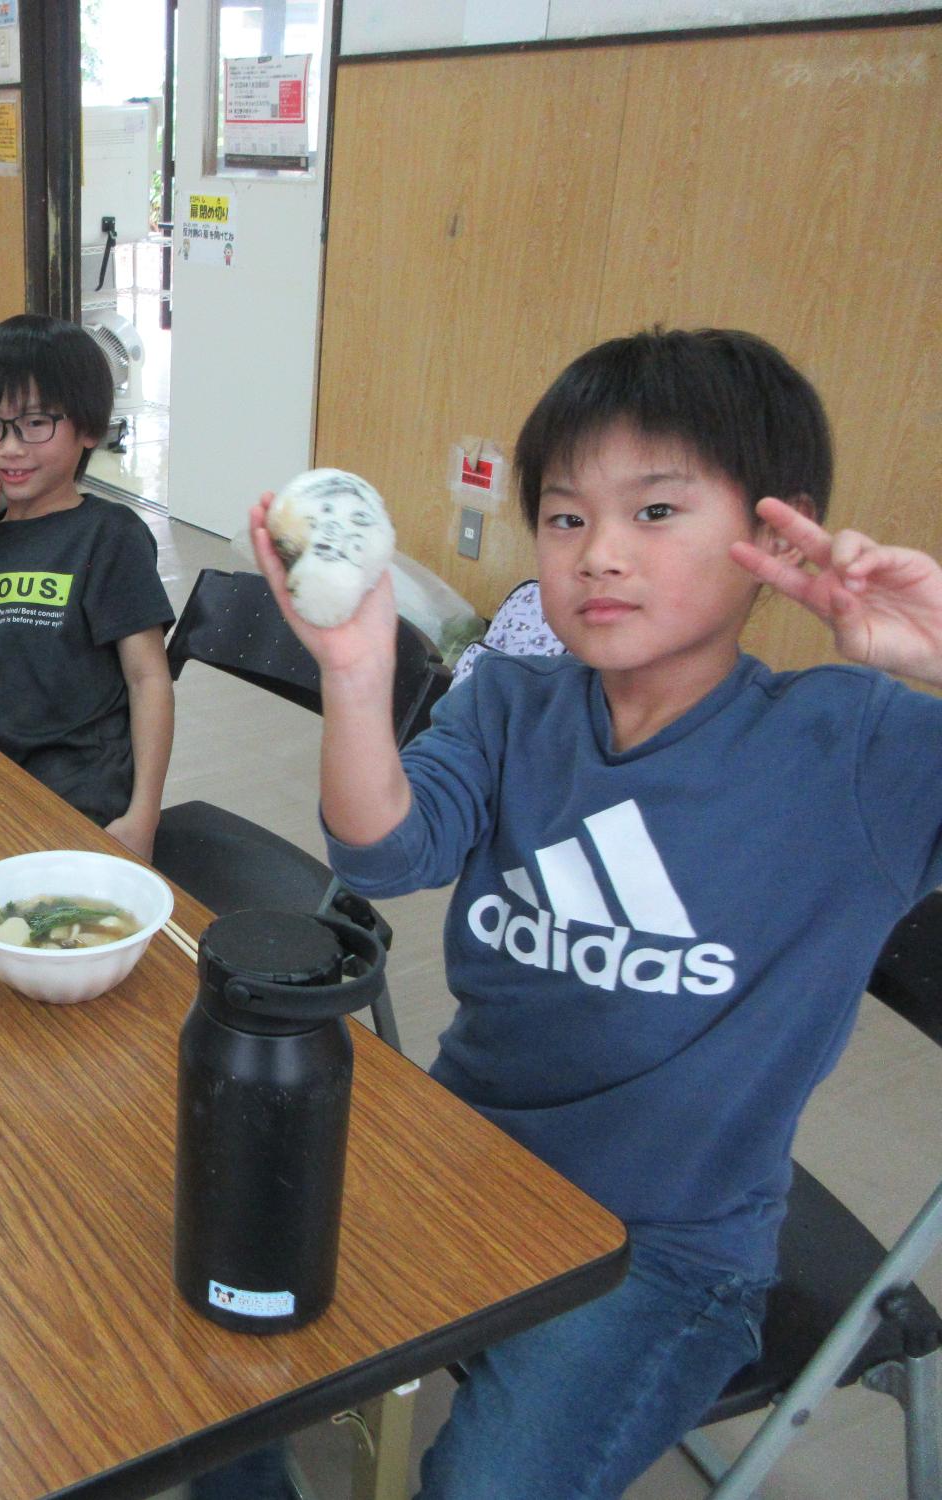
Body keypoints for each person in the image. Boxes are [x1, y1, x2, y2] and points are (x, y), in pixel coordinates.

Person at [245, 327, 942, 1497]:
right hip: (459, 1156)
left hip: (663, 1248)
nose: (596, 555)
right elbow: (381, 855)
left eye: (654, 513)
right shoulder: (511, 701)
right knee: (227, 1318)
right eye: (565, 519)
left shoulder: (856, 748)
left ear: (775, 532)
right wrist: (355, 673)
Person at [0, 314, 175, 860]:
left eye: (34, 423)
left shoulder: (109, 535)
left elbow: (149, 679)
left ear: (89, 429)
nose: (9, 448)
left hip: (79, 791)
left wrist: (143, 815)